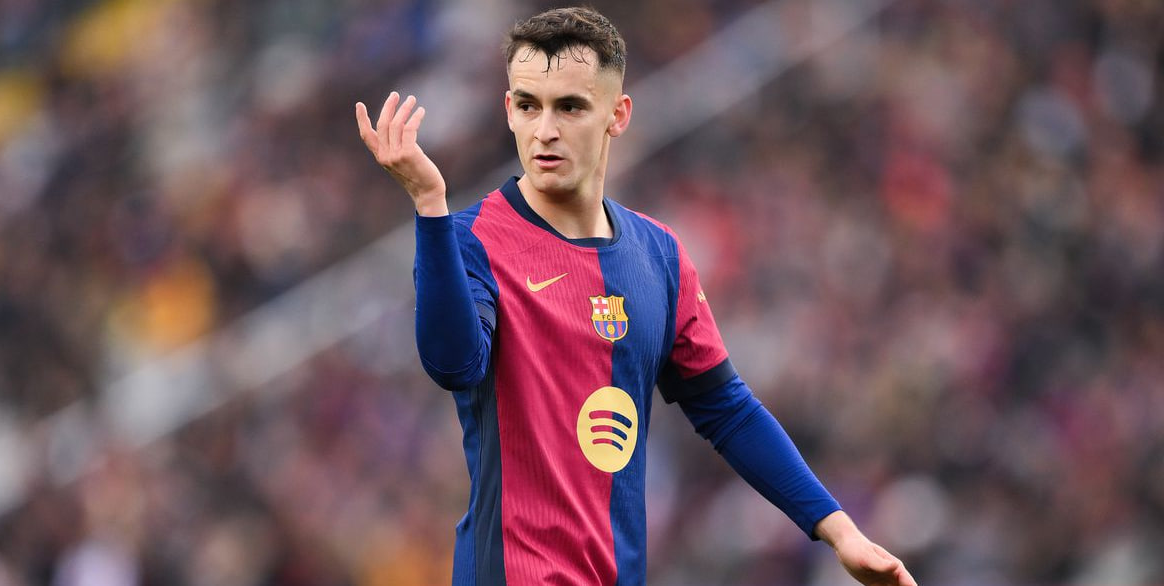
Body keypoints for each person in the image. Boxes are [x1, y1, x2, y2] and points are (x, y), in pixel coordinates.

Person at [356, 6, 917, 586]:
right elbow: (454, 365)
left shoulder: (660, 256)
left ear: (617, 115)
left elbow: (726, 409)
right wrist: (430, 206)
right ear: (509, 110)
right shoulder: (470, 239)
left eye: (570, 106)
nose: (545, 129)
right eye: (528, 105)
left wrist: (841, 531)